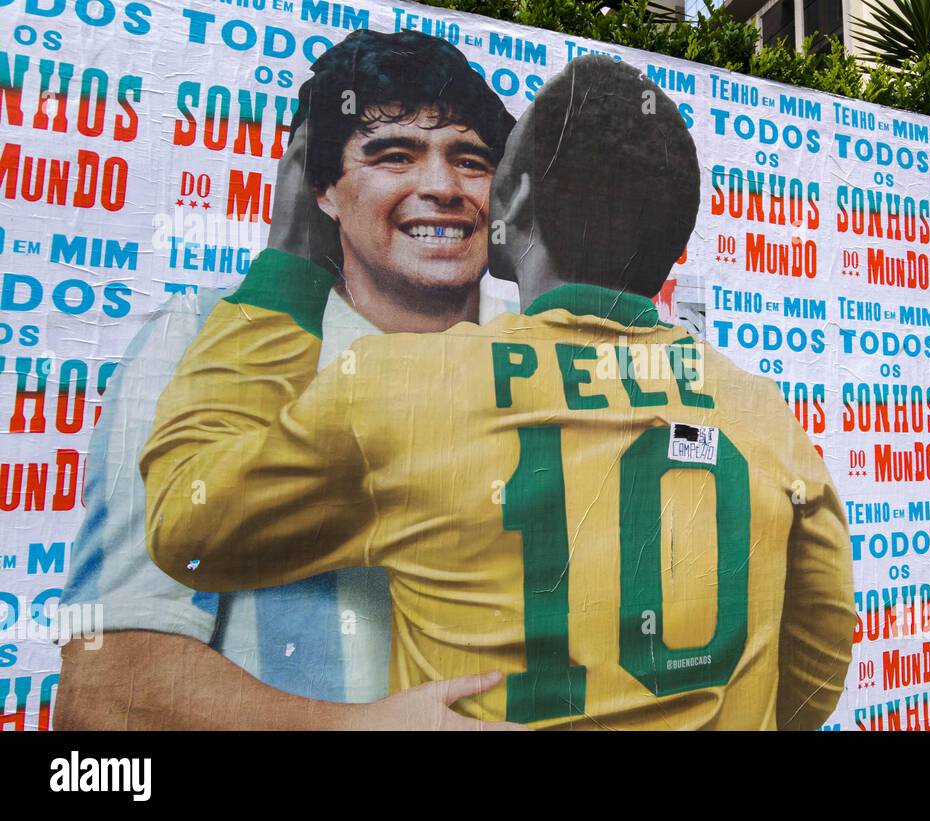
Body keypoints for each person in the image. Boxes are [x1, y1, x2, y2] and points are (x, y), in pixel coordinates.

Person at [141, 55, 855, 730]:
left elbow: (186, 524)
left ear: (511, 199)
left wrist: (287, 270)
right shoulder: (764, 413)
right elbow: (818, 668)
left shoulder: (395, 386)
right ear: (675, 232)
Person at [58, 29, 521, 730]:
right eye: (394, 153)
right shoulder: (204, 338)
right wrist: (357, 727)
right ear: (321, 188)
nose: (441, 186)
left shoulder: (543, 363)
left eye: (471, 159)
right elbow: (105, 694)